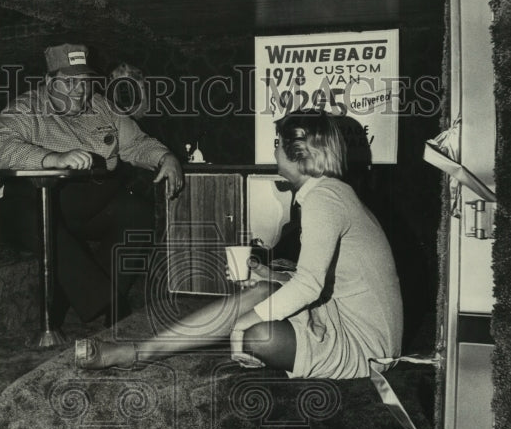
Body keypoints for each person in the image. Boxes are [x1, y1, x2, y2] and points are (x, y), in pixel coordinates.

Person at [77, 110, 403, 379]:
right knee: (263, 292)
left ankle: (140, 351)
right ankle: (139, 352)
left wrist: (244, 324)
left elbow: (310, 285)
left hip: (366, 348)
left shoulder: (324, 199)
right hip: (347, 320)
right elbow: (326, 279)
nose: (274, 149)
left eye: (279, 143)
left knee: (257, 334)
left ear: (299, 153)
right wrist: (268, 274)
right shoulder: (331, 192)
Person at [0, 43, 185, 324]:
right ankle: (110, 303)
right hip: (29, 204)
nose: (80, 89)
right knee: (44, 222)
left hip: (84, 202)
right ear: (49, 81)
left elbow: (137, 144)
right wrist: (52, 158)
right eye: (69, 82)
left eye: (84, 81)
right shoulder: (25, 108)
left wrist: (166, 157)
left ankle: (98, 302)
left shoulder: (102, 106)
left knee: (136, 212)